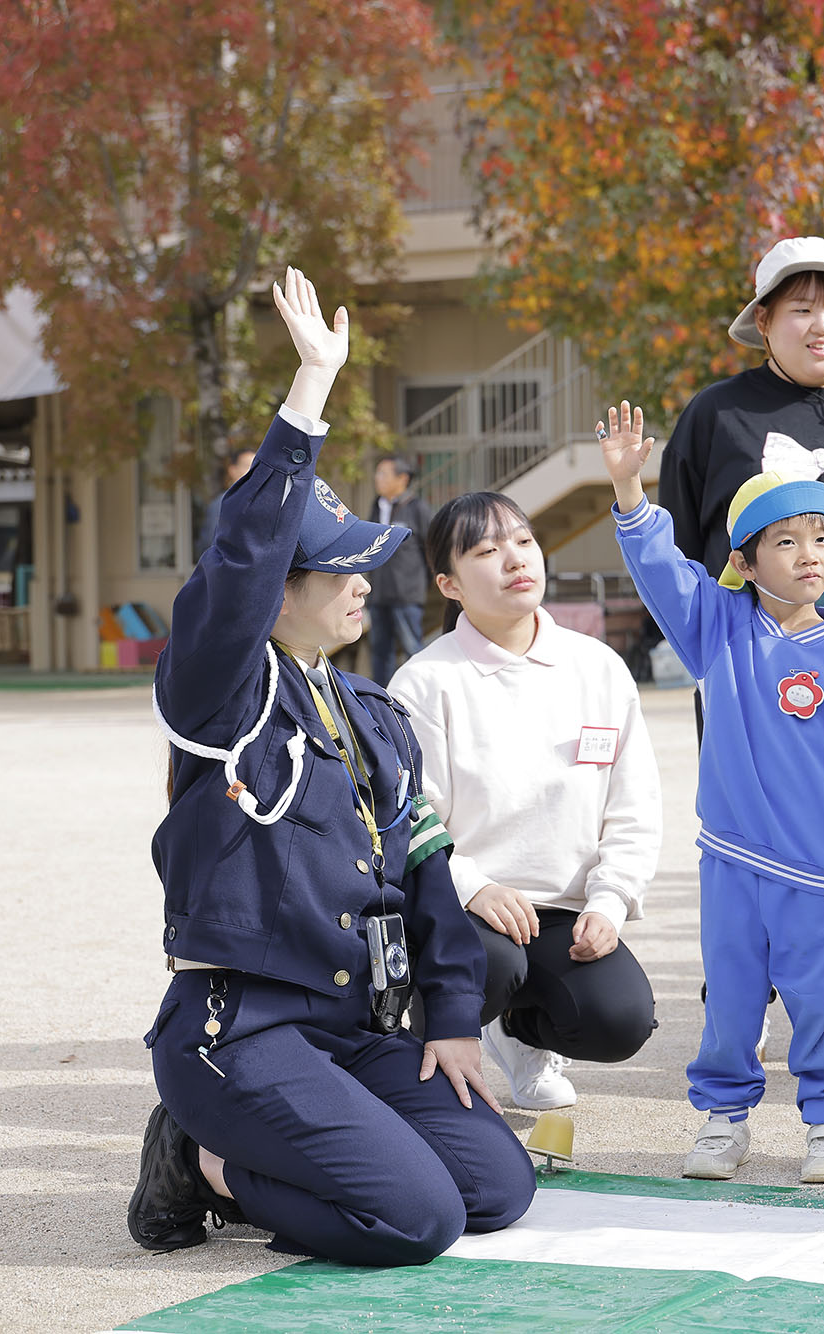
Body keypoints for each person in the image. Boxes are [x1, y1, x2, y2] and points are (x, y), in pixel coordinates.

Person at [131, 267, 533, 1265]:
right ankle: (206, 1164)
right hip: (244, 1029)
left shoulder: (371, 709)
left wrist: (448, 1020)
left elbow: (428, 868)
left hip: (358, 1025)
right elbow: (236, 567)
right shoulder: (223, 694)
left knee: (493, 1186)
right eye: (338, 566)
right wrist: (308, 390)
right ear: (277, 589)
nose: (362, 581)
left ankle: (289, 1145)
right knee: (416, 1218)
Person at [656, 236, 824, 1069]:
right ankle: (741, 1003)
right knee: (749, 822)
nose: (823, 323)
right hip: (747, 659)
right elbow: (676, 535)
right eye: (802, 307)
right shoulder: (717, 414)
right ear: (764, 320)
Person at [606, 403, 824, 1185]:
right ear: (745, 560)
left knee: (819, 1008)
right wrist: (632, 493)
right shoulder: (719, 628)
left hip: (818, 878)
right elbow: (664, 572)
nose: (809, 554)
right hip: (730, 863)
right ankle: (724, 1117)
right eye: (786, 540)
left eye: (822, 538)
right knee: (731, 1005)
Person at [389, 492, 660, 1112]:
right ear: (449, 584)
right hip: (463, 909)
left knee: (621, 1020)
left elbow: (634, 806)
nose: (514, 560)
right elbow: (408, 817)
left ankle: (518, 1033)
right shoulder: (426, 682)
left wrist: (610, 902)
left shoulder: (597, 667)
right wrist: (474, 889)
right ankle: (432, 1053)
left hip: (562, 909)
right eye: (487, 551)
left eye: (523, 542)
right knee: (490, 964)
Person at [366, 454, 432, 686]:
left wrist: (427, 583)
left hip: (406, 593)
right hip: (378, 593)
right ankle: (381, 699)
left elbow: (430, 547)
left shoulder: (417, 508)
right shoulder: (377, 506)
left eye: (383, 473)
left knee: (412, 647)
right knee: (380, 651)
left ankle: (421, 694)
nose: (377, 478)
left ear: (402, 478)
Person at [194, 448, 256, 563]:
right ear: (233, 470)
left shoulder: (260, 502)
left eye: (256, 467)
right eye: (247, 466)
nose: (253, 472)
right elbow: (209, 544)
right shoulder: (222, 503)